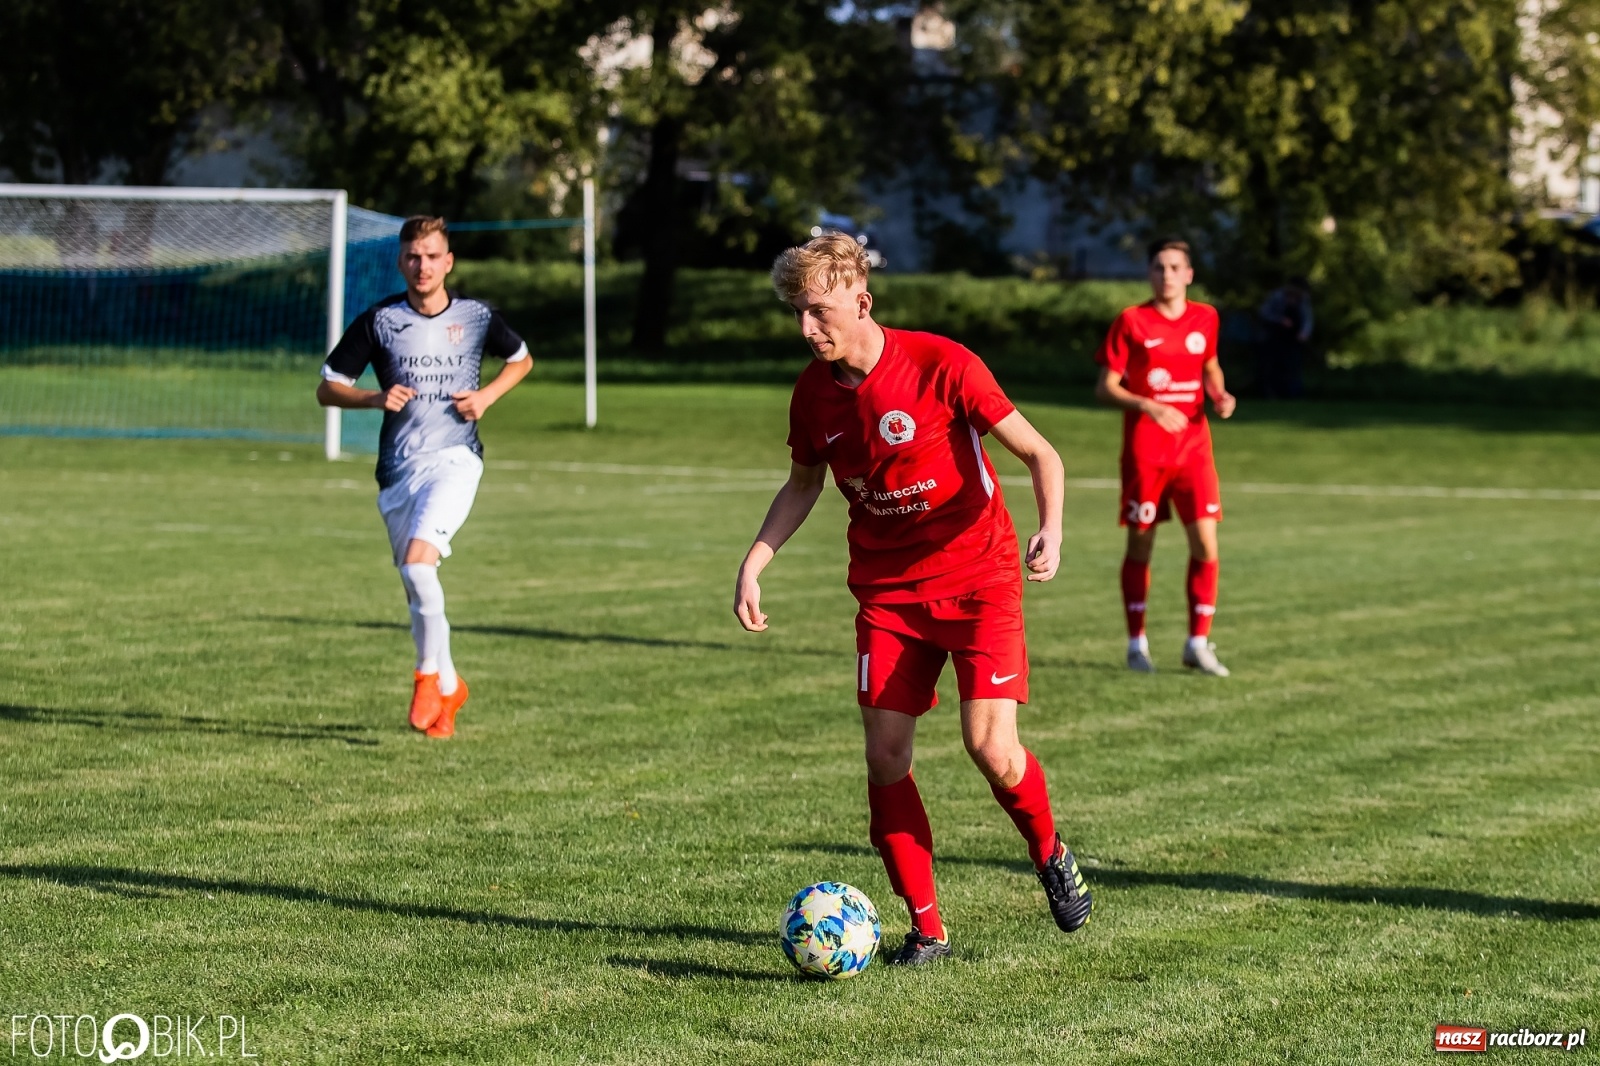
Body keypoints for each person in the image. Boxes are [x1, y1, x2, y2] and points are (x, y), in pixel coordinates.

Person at [733, 234, 1092, 967]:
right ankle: (927, 931)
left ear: (861, 301)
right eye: (797, 315)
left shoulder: (941, 363)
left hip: (980, 577)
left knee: (991, 748)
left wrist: (1052, 528)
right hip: (889, 597)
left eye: (820, 312)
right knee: (885, 757)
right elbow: (803, 486)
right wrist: (755, 561)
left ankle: (1050, 851)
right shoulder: (812, 394)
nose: (808, 330)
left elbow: (1041, 453)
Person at [316, 215, 532, 738]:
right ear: (400, 261)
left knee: (419, 568)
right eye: (413, 256)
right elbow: (327, 387)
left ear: (448, 261)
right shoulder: (380, 321)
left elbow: (521, 359)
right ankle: (452, 685)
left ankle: (427, 676)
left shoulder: (477, 316)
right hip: (397, 472)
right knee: (419, 589)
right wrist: (372, 398)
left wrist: (485, 396)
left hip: (456, 460)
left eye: (433, 256)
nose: (423, 266)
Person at [1094, 237, 1237, 676]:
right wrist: (1149, 405)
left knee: (1206, 545)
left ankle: (1197, 642)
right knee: (1141, 545)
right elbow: (1106, 387)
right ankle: (1137, 644)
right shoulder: (1132, 321)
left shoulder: (1205, 318)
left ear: (1189, 274)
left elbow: (1209, 364)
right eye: (1159, 267)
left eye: (1175, 267)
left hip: (1194, 449)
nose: (1167, 274)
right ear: (1150, 274)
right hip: (1146, 452)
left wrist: (1219, 393)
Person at [1257, 278, 1313, 398]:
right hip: (1273, 338)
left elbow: (1307, 319)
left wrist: (1304, 333)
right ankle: (1270, 394)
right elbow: (1264, 313)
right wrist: (1280, 320)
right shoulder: (1277, 296)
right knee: (1271, 367)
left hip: (1293, 340)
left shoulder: (1303, 299)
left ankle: (1292, 394)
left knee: (1293, 367)